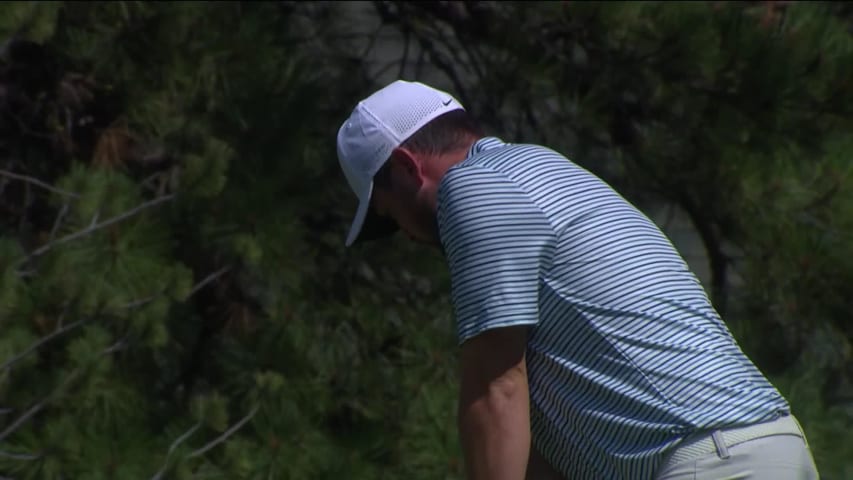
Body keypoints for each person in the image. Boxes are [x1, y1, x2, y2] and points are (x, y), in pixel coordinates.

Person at [336, 80, 820, 480]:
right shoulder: (540, 169)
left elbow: (497, 389)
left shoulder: (472, 187)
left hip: (708, 462)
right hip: (763, 448)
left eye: (387, 214)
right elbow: (537, 443)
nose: (403, 233)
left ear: (405, 165)